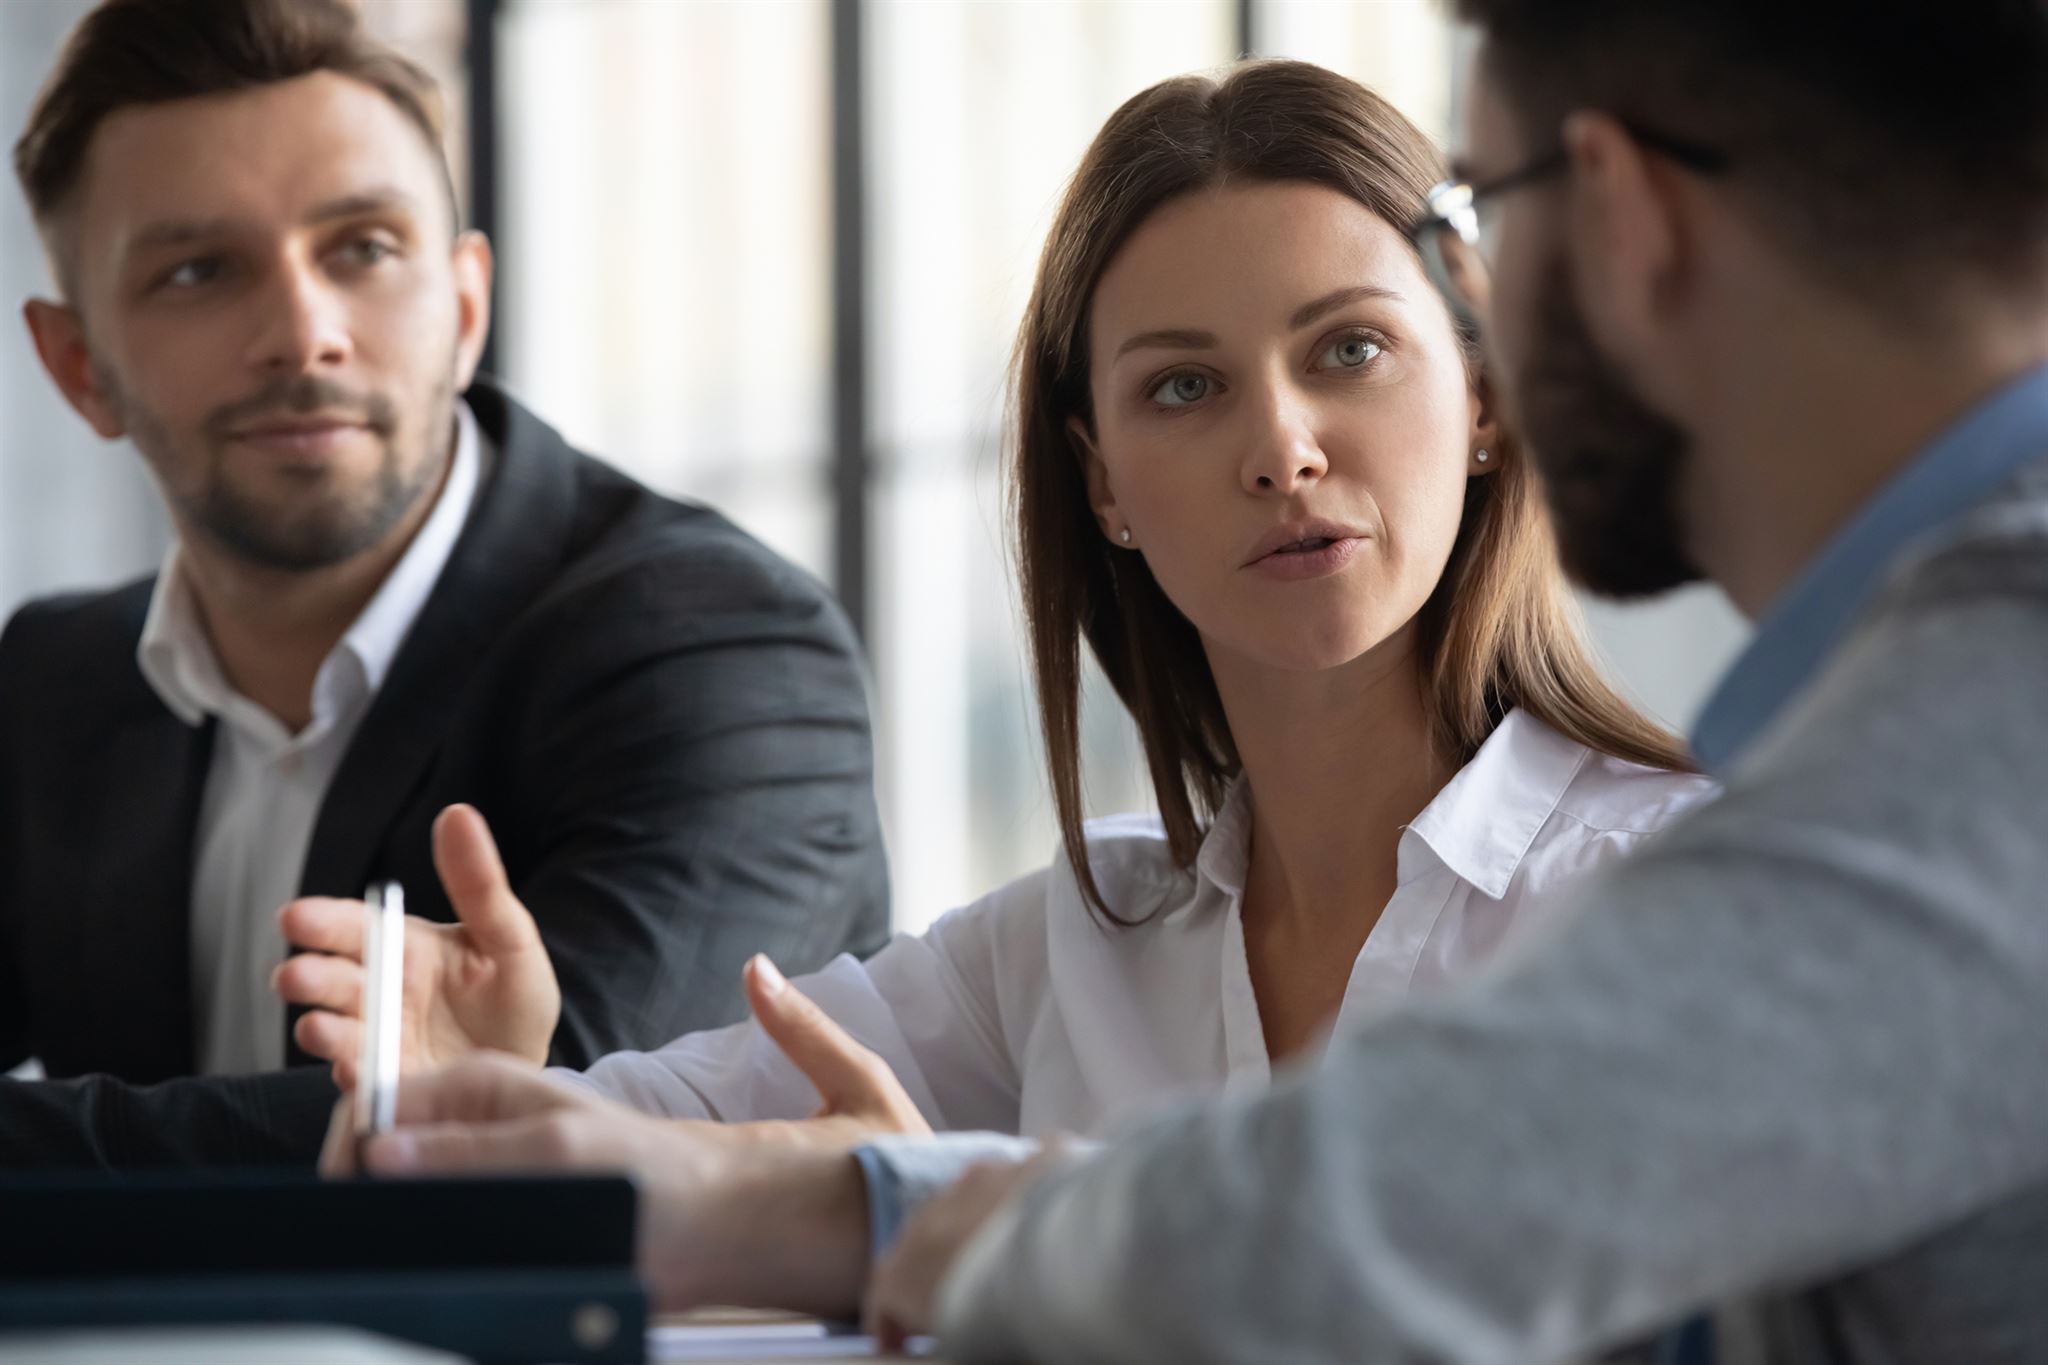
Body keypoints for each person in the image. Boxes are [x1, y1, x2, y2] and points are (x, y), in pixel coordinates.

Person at [355, 2, 2048, 1356]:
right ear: (1094, 473)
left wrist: (857, 1209)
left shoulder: (1920, 774)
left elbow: (1376, 1220)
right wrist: (494, 1095)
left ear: (1616, 218)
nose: (1281, 452)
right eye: (1182, 391)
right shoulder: (1084, 922)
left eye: (1465, 231)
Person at [0, 0, 888, 1168]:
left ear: (465, 307)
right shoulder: (57, 682)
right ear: (80, 369)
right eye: (199, 270)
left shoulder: (719, 651)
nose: (303, 331)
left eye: (362, 248)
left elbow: (556, 1142)